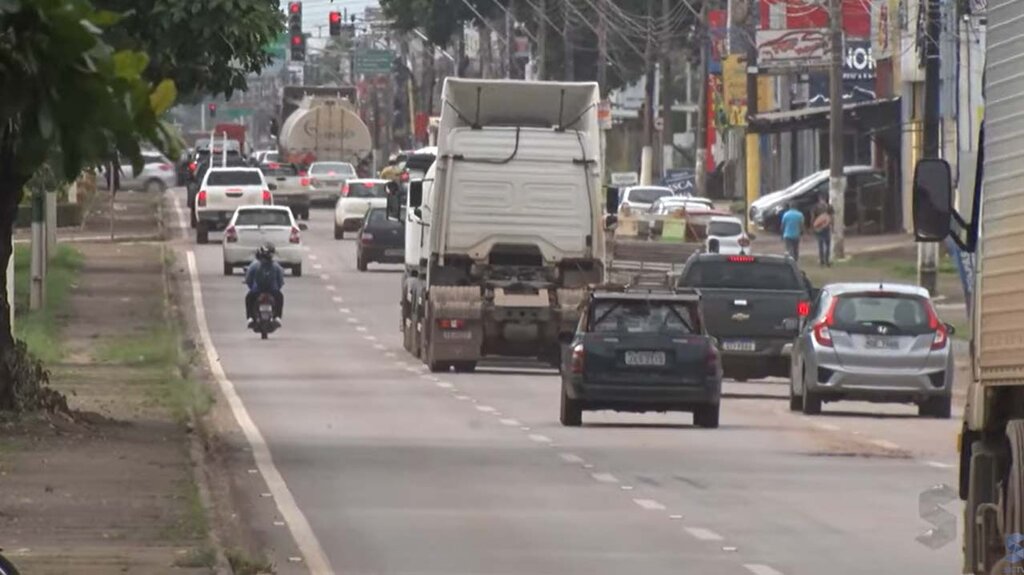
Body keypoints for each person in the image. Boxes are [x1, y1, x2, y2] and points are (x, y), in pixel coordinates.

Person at [245, 243, 285, 327]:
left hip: (257, 291)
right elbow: (280, 281)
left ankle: (250, 318)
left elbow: (248, 280)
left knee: (249, 298)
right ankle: (278, 317)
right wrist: (277, 288)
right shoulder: (276, 266)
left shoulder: (254, 265)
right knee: (280, 297)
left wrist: (252, 288)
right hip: (273, 290)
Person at [811, 197, 834, 267]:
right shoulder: (829, 206)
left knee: (820, 245)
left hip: (818, 228)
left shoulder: (815, 207)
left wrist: (813, 227)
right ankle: (827, 261)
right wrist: (832, 226)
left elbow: (812, 217)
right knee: (827, 245)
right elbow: (832, 217)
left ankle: (822, 261)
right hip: (826, 228)